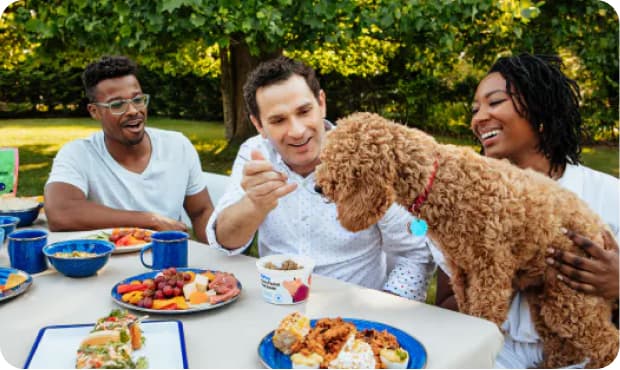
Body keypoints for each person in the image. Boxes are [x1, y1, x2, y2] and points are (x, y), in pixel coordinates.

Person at [433, 53, 619, 368]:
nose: (478, 118)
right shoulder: (466, 203)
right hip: (493, 354)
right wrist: (494, 278)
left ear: (540, 111)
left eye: (494, 102)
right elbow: (445, 302)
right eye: (475, 109)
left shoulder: (607, 194)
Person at [205, 56, 433, 300]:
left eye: (304, 111)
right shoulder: (255, 154)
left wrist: (382, 316)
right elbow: (224, 241)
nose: (297, 131)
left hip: (356, 313)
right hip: (278, 306)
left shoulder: (368, 159)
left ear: (321, 103)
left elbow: (415, 253)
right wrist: (253, 204)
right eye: (278, 120)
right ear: (258, 124)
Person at [45, 56, 213, 243]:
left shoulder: (177, 145)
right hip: (108, 265)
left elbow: (201, 211)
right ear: (94, 111)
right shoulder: (78, 153)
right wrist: (149, 220)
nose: (133, 110)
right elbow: (60, 212)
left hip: (167, 261)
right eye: (117, 104)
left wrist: (216, 255)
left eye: (138, 99)